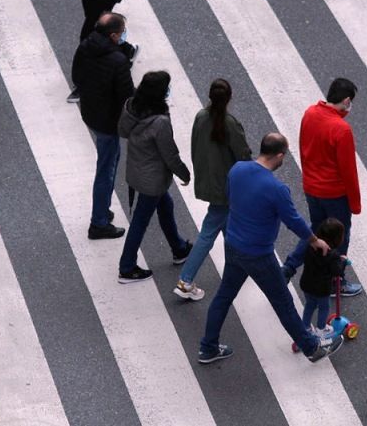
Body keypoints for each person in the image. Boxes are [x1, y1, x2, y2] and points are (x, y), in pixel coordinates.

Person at [199, 133, 343, 364]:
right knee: (283, 302)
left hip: (234, 244)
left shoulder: (237, 169)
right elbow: (294, 220)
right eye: (284, 155)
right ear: (278, 155)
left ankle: (208, 347)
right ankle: (311, 348)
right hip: (258, 254)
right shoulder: (276, 188)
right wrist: (315, 240)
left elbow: (229, 196)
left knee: (224, 295)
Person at [282, 78, 363, 297]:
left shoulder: (310, 113)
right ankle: (337, 281)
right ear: (346, 100)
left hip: (312, 188)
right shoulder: (341, 129)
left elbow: (303, 146)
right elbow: (348, 171)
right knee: (339, 236)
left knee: (315, 231)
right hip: (334, 193)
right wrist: (355, 204)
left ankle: (289, 267)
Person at [174, 79, 252, 301]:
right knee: (209, 233)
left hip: (208, 182)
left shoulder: (201, 117)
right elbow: (243, 156)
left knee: (230, 227)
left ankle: (234, 269)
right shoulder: (230, 123)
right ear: (229, 98)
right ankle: (185, 280)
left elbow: (194, 146)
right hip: (227, 188)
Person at [116, 71, 194, 283]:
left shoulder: (132, 106)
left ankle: (178, 248)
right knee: (140, 222)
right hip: (153, 179)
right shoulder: (159, 121)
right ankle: (127, 267)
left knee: (166, 206)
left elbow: (122, 131)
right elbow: (170, 154)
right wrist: (184, 173)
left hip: (137, 171)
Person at [72, 12, 137, 240]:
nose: (123, 36)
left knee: (109, 161)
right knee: (106, 170)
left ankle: (103, 210)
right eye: (121, 33)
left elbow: (77, 78)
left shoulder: (86, 46)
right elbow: (127, 96)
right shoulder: (117, 61)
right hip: (109, 121)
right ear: (112, 35)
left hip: (91, 113)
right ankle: (98, 221)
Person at [300, 218, 347, 337]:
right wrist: (343, 262)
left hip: (307, 283)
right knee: (324, 307)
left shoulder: (311, 246)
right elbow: (337, 271)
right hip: (321, 289)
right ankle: (321, 329)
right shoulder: (333, 255)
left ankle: (305, 326)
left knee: (310, 305)